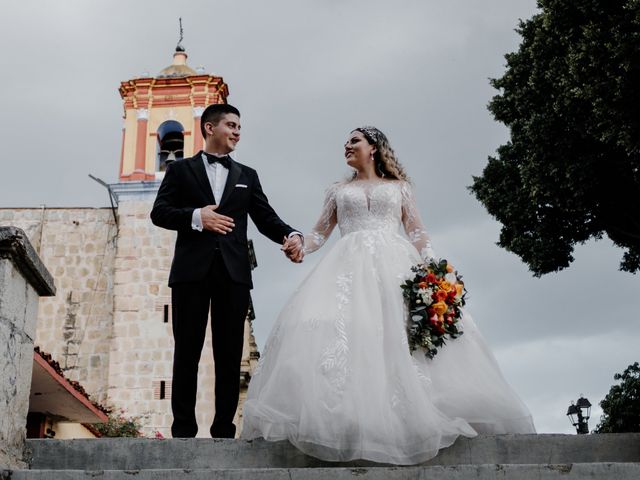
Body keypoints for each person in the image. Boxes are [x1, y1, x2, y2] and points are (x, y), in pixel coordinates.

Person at [241, 126, 535, 464]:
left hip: (395, 265)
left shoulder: (400, 189)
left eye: (355, 141)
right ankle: (360, 418)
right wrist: (299, 247)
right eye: (346, 142)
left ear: (374, 148)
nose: (347, 146)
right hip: (346, 266)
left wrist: (435, 270)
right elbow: (319, 234)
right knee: (349, 335)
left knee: (401, 335)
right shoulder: (337, 191)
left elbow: (417, 232)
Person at [150, 103, 303, 439]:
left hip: (234, 275)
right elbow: (159, 213)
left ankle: (223, 430)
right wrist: (196, 217)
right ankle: (183, 431)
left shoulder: (247, 175)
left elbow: (266, 217)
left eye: (239, 127)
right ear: (209, 128)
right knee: (186, 352)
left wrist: (290, 235)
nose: (237, 132)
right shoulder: (180, 171)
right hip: (190, 272)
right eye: (231, 125)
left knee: (230, 354)